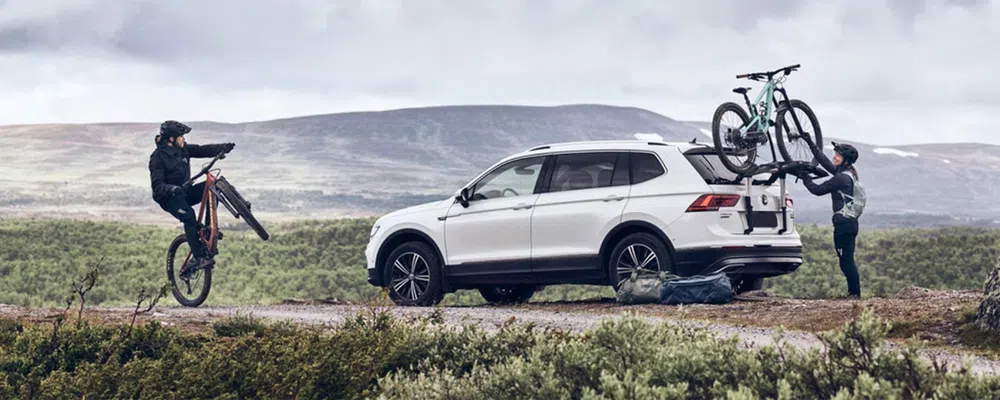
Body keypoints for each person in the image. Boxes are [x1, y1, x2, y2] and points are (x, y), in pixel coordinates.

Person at [149, 120, 235, 276]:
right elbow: (157, 188)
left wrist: (223, 148)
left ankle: (209, 229)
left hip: (185, 191)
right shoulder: (157, 158)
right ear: (171, 139)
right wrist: (172, 189)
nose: (183, 139)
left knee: (212, 188)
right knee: (189, 216)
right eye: (180, 136)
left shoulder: (183, 149)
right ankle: (199, 257)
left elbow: (202, 150)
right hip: (169, 198)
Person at [795, 141, 863, 298]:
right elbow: (826, 163)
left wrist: (805, 177)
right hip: (850, 223)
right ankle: (854, 294)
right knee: (847, 259)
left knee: (846, 261)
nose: (835, 157)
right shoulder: (849, 174)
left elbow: (817, 190)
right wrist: (810, 143)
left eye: (838, 156)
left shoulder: (841, 179)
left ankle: (854, 295)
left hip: (844, 225)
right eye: (835, 154)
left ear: (846, 160)